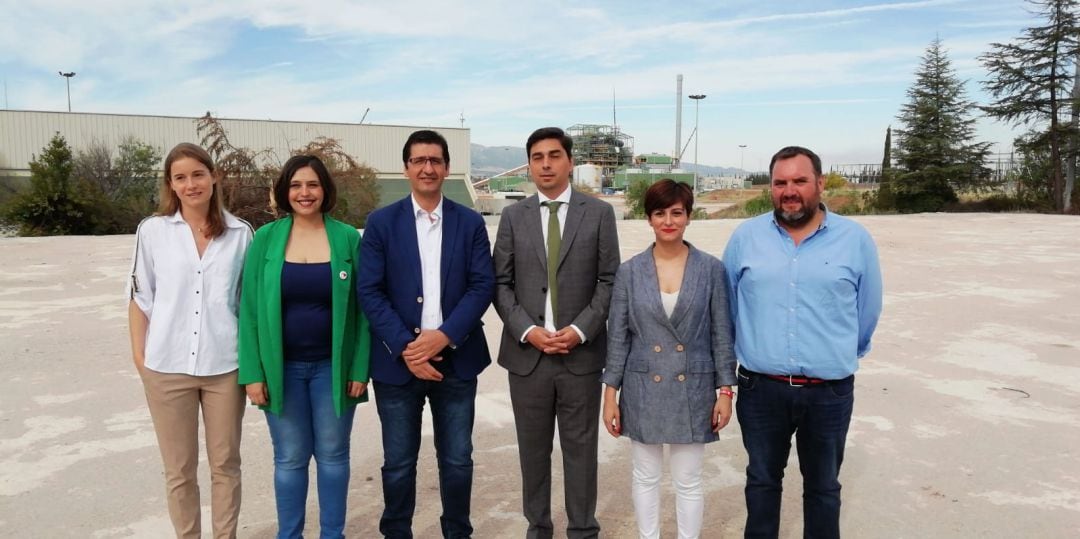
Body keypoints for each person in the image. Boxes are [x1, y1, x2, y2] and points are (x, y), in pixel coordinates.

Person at [722, 146, 883, 539]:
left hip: (828, 392)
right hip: (761, 390)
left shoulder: (855, 240)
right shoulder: (745, 238)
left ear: (820, 184)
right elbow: (726, 307)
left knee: (824, 488)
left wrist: (838, 354)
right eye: (780, 183)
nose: (789, 191)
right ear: (770, 187)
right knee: (761, 482)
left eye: (799, 181)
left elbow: (867, 311)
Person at [357, 129, 494, 539]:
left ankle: (457, 532)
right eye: (419, 160)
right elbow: (370, 290)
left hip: (457, 359)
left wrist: (445, 335)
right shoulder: (381, 223)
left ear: (447, 169)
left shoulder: (469, 222)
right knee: (398, 463)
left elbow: (481, 285)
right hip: (398, 367)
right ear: (406, 169)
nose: (428, 168)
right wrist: (407, 347)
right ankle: (396, 533)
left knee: (457, 460)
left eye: (435, 160)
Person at [493, 127, 621, 539]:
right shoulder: (513, 216)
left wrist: (581, 330)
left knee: (581, 451)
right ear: (529, 164)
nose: (545, 164)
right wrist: (527, 330)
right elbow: (501, 283)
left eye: (553, 155)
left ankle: (583, 529)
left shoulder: (598, 213)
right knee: (533, 453)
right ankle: (539, 527)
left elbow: (609, 281)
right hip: (527, 357)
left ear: (569, 161)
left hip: (579, 358)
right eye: (536, 157)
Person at [237, 155, 370, 539]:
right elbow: (247, 311)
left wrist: (359, 368)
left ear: (325, 189)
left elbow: (363, 311)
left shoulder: (346, 238)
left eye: (312, 184)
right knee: (290, 459)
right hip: (282, 371)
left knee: (332, 457)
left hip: (333, 368)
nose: (304, 193)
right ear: (285, 191)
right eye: (296, 185)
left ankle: (333, 534)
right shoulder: (266, 239)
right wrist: (252, 373)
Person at [127, 142, 252, 539]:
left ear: (214, 177)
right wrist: (140, 359)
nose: (191, 184)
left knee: (225, 464)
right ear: (171, 184)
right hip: (166, 367)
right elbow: (140, 296)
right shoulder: (153, 231)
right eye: (180, 177)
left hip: (225, 368)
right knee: (179, 470)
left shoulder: (240, 234)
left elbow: (246, 306)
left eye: (198, 174)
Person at [601, 179, 736, 539]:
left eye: (677, 212)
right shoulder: (630, 272)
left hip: (694, 385)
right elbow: (618, 337)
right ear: (649, 219)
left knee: (689, 479)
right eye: (660, 213)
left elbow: (722, 333)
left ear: (689, 217)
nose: (668, 220)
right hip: (643, 383)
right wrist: (610, 394)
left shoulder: (711, 269)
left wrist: (726, 390)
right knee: (645, 476)